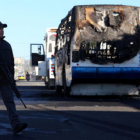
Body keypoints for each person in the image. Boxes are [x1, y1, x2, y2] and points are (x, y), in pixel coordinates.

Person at [0, 21, 27, 134]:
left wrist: (12, 79)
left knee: (10, 102)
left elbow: (11, 64)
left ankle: (16, 124)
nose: (1, 30)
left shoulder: (6, 45)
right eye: (0, 29)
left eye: (2, 29)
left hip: (5, 79)